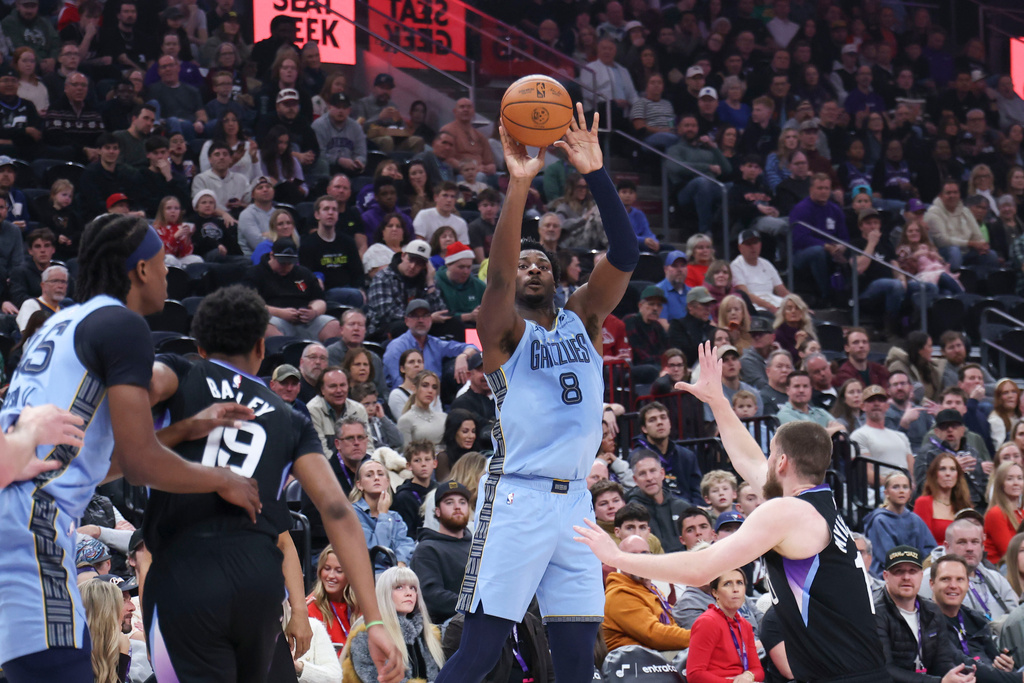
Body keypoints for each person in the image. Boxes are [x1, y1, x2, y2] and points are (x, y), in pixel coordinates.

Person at [0, 217, 263, 682]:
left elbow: (83, 464)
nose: (168, 275)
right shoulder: (122, 325)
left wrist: (182, 429)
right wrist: (224, 479)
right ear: (142, 269)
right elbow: (141, 466)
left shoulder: (57, 324)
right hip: (33, 532)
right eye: (163, 264)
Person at [437, 105, 636, 683]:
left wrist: (597, 173)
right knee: (477, 652)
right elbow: (495, 279)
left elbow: (625, 254)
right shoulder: (502, 336)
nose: (529, 267)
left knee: (577, 659)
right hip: (518, 500)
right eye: (522, 262)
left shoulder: (584, 316)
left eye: (540, 261)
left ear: (555, 275)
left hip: (576, 503)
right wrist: (519, 184)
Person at [576, 340, 890, 682]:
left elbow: (700, 570)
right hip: (855, 667)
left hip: (843, 675)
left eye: (772, 454)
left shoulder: (787, 513)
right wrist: (717, 401)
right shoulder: (817, 503)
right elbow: (749, 461)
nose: (765, 460)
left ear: (782, 462)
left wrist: (616, 557)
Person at [143, 287, 402, 682]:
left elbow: (131, 402)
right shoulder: (290, 417)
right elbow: (337, 511)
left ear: (198, 344)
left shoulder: (178, 372)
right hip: (259, 582)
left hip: (186, 574)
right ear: (262, 348)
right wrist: (373, 620)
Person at [874, 545, 973, 683]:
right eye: (898, 571)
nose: (906, 577)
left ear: (921, 576)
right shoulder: (876, 612)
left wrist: (957, 677)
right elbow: (886, 670)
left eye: (912, 571)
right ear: (886, 576)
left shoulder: (932, 610)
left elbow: (942, 661)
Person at [342, 566, 445, 683]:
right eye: (399, 587)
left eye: (413, 588)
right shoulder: (366, 634)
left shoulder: (429, 635)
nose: (409, 593)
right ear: (384, 593)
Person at [929, 553, 1022, 683]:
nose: (953, 585)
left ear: (968, 584)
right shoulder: (927, 620)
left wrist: (1005, 666)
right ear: (932, 584)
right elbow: (965, 666)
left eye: (960, 579)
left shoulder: (975, 619)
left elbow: (992, 659)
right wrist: (1018, 678)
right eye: (945, 579)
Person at [603, 534, 691, 652]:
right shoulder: (619, 595)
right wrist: (700, 637)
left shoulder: (649, 589)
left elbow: (671, 626)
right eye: (632, 555)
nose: (640, 559)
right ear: (619, 562)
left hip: (659, 659)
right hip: (635, 665)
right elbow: (655, 635)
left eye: (644, 554)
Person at [410, 480, 473, 624]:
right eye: (449, 502)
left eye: (462, 502)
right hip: (449, 626)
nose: (457, 507)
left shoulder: (478, 547)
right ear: (437, 511)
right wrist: (474, 606)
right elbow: (431, 597)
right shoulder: (427, 549)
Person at [685, 567, 763, 683]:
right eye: (727, 584)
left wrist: (748, 675)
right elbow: (694, 674)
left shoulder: (744, 625)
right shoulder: (707, 622)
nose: (735, 589)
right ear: (715, 592)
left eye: (739, 583)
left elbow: (757, 670)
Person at [862, 472, 936, 576]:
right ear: (886, 492)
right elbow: (887, 556)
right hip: (886, 576)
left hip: (916, 572)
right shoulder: (879, 520)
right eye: (896, 487)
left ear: (910, 493)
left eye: (905, 487)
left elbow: (930, 549)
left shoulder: (915, 519)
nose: (901, 491)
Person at [306, 545, 359, 647]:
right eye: (327, 568)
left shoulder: (360, 606)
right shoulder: (310, 607)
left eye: (339, 571)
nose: (330, 576)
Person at [79, 578, 130, 683]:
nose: (133, 607)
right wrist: (122, 656)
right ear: (107, 617)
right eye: (122, 602)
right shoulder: (75, 662)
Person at [914, 454, 974, 545]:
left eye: (952, 469)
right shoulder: (923, 503)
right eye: (942, 469)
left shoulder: (965, 505)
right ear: (934, 474)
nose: (948, 474)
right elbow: (922, 542)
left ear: (957, 475)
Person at [984, 462, 1024, 565]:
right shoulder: (996, 513)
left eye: (1020, 478)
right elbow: (1008, 552)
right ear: (1001, 483)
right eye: (1010, 479)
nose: (1016, 483)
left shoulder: (1021, 513)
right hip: (1002, 568)